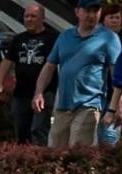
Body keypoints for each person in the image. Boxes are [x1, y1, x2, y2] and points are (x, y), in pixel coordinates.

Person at [34, 0, 121, 147]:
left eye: (96, 11)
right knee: (56, 151)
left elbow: (118, 75)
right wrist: (38, 92)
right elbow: (49, 66)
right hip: (62, 104)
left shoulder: (109, 38)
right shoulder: (65, 36)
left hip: (89, 103)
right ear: (77, 12)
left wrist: (118, 105)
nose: (92, 15)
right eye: (88, 11)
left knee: (78, 150)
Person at [0, 4, 61, 145]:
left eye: (33, 16)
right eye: (26, 16)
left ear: (42, 18)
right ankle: (24, 161)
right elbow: (7, 61)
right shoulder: (18, 39)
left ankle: (40, 160)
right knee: (21, 132)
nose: (29, 19)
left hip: (44, 93)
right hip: (21, 93)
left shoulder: (53, 38)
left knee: (38, 130)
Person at [102, 4, 122, 143]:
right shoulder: (98, 38)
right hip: (101, 93)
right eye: (111, 17)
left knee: (109, 135)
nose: (114, 20)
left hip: (116, 96)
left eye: (117, 17)